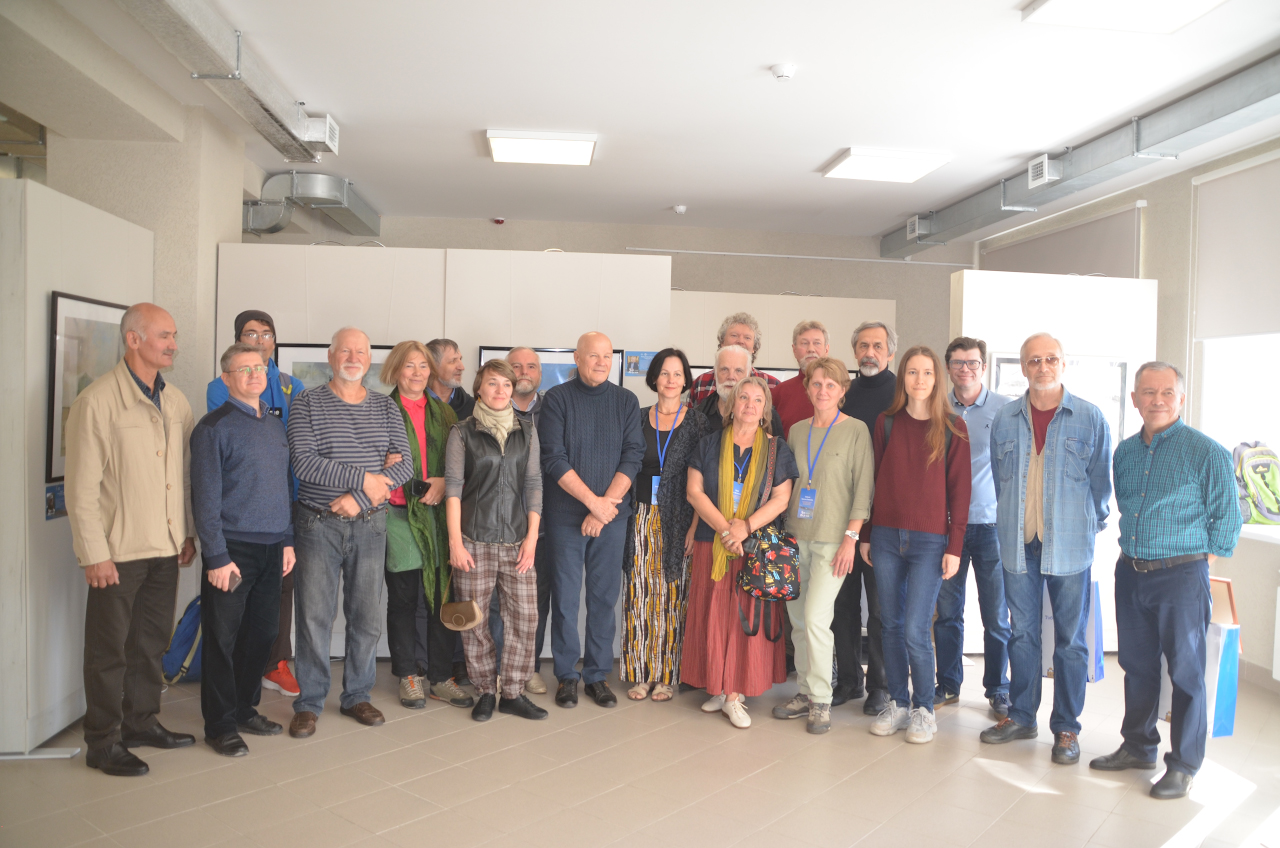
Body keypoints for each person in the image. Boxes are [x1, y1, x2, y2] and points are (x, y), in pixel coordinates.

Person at [1090, 362, 1242, 799]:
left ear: (1181, 398)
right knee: (1136, 666)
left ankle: (1184, 765)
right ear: (1135, 398)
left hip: (1181, 577)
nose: (1157, 400)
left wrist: (1196, 561)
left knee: (1186, 671)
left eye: (1167, 392)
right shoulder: (1125, 452)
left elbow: (1227, 520)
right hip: (1131, 572)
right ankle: (1138, 746)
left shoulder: (1207, 452)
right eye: (1148, 392)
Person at [65, 303, 197, 776]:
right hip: (117, 553)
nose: (173, 344)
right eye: (164, 336)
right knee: (109, 652)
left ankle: (141, 722)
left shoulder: (176, 402)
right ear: (134, 339)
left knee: (150, 643)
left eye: (174, 336)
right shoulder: (97, 401)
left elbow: (182, 477)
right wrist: (93, 554)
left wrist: (186, 532)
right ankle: (102, 742)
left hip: (165, 548)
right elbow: (80, 489)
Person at [980, 333, 1112, 766]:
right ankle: (1022, 716)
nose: (1042, 367)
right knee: (1022, 634)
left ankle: (1067, 728)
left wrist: (1087, 526)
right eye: (1034, 360)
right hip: (1019, 546)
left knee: (1070, 642)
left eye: (1050, 358)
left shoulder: (1089, 417)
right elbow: (1000, 480)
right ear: (1023, 367)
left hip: (1070, 547)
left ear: (1063, 364)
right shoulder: (1005, 419)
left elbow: (1100, 485)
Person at [286, 327, 415, 738]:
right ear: (331, 356)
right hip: (316, 524)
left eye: (360, 351)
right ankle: (309, 702)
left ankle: (356, 695)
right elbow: (304, 463)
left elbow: (404, 466)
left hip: (370, 525)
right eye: (345, 351)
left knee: (366, 617)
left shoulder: (385, 407)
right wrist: (366, 479)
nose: (353, 358)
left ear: (369, 359)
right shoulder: (307, 402)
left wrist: (360, 497)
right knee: (314, 617)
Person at [861, 346, 971, 744]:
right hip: (886, 537)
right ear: (902, 378)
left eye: (926, 372)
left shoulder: (953, 426)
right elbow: (874, 481)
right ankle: (899, 703)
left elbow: (960, 492)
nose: (919, 380)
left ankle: (924, 708)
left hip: (930, 542)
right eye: (912, 372)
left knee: (915, 629)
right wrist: (868, 534)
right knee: (889, 624)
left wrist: (954, 546)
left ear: (937, 378)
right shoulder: (886, 422)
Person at [191, 343, 295, 756]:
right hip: (232, 552)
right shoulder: (213, 427)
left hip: (273, 549)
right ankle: (219, 725)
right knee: (223, 638)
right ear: (226, 378)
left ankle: (244, 708)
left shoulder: (274, 425)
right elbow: (204, 498)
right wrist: (216, 557)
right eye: (244, 369)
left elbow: (283, 488)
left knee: (263, 633)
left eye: (259, 367)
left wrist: (288, 540)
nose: (254, 374)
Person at [683, 377, 798, 728]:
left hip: (754, 547)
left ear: (765, 410)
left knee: (740, 618)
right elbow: (694, 492)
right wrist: (725, 529)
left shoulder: (777, 449)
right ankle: (720, 687)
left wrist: (744, 528)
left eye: (757, 400)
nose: (749, 404)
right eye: (743, 397)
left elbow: (781, 498)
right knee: (714, 614)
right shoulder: (709, 443)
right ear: (732, 405)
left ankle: (733, 695)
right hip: (713, 541)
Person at [539, 332, 645, 709]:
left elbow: (632, 455)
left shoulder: (626, 401)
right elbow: (554, 459)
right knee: (566, 599)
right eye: (593, 356)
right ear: (577, 358)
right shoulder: (556, 399)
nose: (601, 363)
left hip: (612, 517)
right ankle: (567, 676)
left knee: (603, 598)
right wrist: (592, 504)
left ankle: (597, 676)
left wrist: (604, 507)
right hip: (565, 516)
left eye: (606, 356)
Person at [205, 309, 305, 701]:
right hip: (237, 528)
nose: (260, 340)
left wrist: (288, 533)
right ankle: (225, 707)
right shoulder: (218, 402)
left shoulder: (290, 387)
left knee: (275, 604)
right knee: (230, 615)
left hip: (281, 517)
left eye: (266, 334)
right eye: (251, 334)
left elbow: (288, 446)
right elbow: (237, 425)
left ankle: (270, 670)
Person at [771, 357, 874, 734]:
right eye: (816, 384)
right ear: (807, 388)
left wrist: (851, 538)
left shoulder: (856, 430)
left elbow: (863, 489)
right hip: (796, 536)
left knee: (816, 618)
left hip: (834, 540)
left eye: (831, 385)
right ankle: (803, 691)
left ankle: (821, 699)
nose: (823, 391)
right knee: (798, 620)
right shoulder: (797, 431)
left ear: (842, 390)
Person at [445, 359, 547, 721]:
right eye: (493, 383)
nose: (500, 390)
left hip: (518, 542)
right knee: (474, 622)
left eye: (506, 384)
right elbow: (453, 489)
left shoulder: (527, 431)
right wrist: (455, 543)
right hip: (474, 541)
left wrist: (532, 538)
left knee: (526, 619)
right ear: (479, 389)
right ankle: (486, 691)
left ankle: (513, 693)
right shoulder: (462, 433)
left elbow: (534, 485)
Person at [378, 342, 471, 711]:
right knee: (404, 599)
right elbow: (366, 459)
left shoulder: (444, 412)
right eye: (409, 366)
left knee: (440, 597)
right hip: (398, 515)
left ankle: (440, 678)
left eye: (423, 366)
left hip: (437, 515)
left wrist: (445, 482)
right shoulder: (381, 409)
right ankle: (408, 674)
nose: (417, 373)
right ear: (395, 370)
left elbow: (458, 463)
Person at [621, 349, 708, 702]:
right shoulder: (638, 418)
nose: (671, 380)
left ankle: (667, 675)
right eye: (664, 373)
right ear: (654, 378)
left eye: (677, 374)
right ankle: (640, 674)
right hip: (641, 515)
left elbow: (706, 481)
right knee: (639, 594)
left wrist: (695, 528)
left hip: (681, 519)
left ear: (686, 380)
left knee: (672, 597)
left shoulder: (699, 423)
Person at [933, 337, 1013, 716]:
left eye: (972, 363)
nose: (965, 369)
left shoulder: (1005, 410)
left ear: (983, 366)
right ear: (948, 367)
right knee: (948, 612)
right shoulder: (937, 407)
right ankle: (948, 685)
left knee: (996, 615)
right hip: (948, 528)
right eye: (958, 363)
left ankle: (998, 689)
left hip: (991, 526)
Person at [831, 321, 898, 714]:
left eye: (877, 345)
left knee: (880, 609)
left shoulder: (901, 395)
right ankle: (849, 680)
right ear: (854, 350)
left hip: (885, 521)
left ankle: (880, 686)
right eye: (862, 346)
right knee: (842, 605)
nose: (869, 352)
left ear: (890, 351)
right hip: (843, 518)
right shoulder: (845, 394)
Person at [503, 347, 553, 695]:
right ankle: (497, 670)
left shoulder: (554, 410)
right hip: (496, 524)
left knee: (536, 601)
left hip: (542, 524)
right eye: (516, 366)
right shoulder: (488, 408)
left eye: (531, 366)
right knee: (496, 604)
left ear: (540, 374)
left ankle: (529, 668)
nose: (524, 371)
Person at [687, 312, 782, 404]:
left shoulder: (772, 386)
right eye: (734, 335)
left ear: (754, 347)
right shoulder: (701, 383)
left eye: (747, 337)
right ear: (722, 342)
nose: (740, 341)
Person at [697, 344, 785, 436]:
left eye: (738, 371)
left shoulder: (770, 417)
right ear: (715, 374)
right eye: (724, 369)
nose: (731, 377)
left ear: (748, 375)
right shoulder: (699, 414)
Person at [771, 320, 830, 438]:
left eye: (817, 343)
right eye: (804, 343)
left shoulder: (839, 391)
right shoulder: (779, 392)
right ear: (794, 350)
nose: (811, 349)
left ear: (826, 349)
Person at [427, 338, 476, 420]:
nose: (462, 367)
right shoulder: (413, 403)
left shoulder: (472, 408)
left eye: (460, 359)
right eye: (453, 361)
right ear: (432, 366)